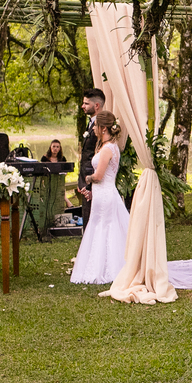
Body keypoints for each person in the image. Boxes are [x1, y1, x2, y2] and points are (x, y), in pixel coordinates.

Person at [70, 112, 130, 284]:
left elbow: (98, 176)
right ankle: (103, 266)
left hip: (105, 195)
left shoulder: (107, 149)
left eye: (96, 126)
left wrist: (87, 179)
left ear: (103, 128)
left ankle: (106, 269)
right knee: (104, 227)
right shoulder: (110, 147)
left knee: (104, 228)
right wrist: (91, 192)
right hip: (103, 193)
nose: (94, 129)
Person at [77, 88, 105, 225]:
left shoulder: (101, 127)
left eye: (86, 103)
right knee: (87, 219)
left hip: (93, 181)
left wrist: (89, 186)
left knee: (92, 221)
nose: (83, 106)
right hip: (85, 180)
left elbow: (98, 157)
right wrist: (80, 180)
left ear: (96, 105)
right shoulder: (91, 123)